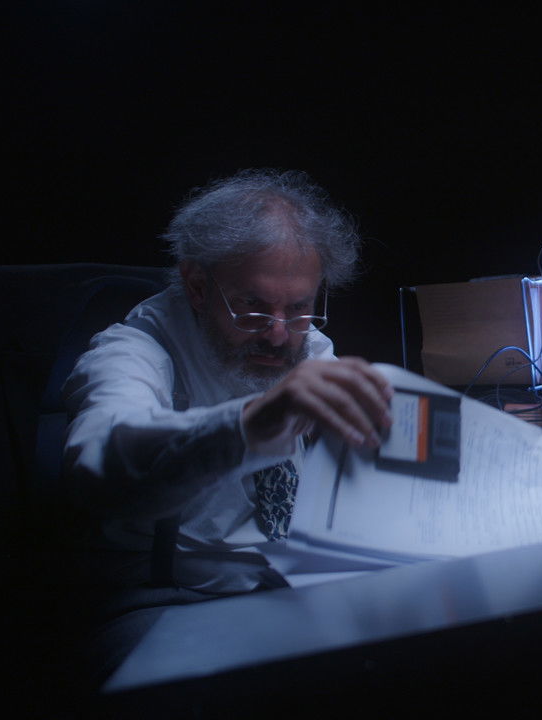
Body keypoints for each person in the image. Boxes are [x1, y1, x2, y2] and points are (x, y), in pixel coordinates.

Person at [61, 170, 393, 677]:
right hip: (171, 599)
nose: (278, 335)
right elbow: (100, 460)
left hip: (294, 587)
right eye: (251, 307)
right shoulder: (130, 353)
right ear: (197, 287)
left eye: (299, 307)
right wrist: (249, 424)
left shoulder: (308, 346)